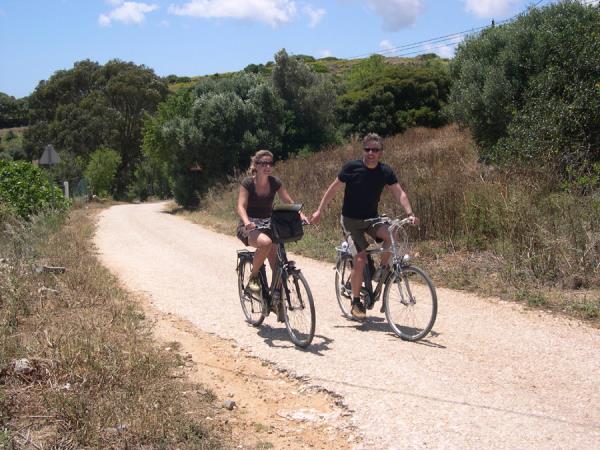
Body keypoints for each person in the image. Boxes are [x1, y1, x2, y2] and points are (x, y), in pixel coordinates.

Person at [310, 133, 419, 320]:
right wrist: (319, 210)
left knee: (392, 234)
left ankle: (381, 271)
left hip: (371, 220)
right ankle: (355, 302)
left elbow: (399, 193)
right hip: (350, 222)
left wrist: (410, 214)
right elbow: (333, 188)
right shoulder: (352, 168)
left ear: (381, 152)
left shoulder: (385, 171)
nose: (371, 153)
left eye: (375, 150)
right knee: (360, 259)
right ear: (363, 150)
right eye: (367, 149)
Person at [237, 149, 306, 295]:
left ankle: (276, 297)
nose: (267, 166)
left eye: (270, 163)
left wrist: (300, 214)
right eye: (263, 163)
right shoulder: (248, 183)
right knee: (266, 243)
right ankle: (254, 276)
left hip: (269, 224)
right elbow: (241, 206)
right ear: (256, 165)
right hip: (249, 225)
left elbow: (288, 201)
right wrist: (246, 221)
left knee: (278, 264)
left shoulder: (275, 183)